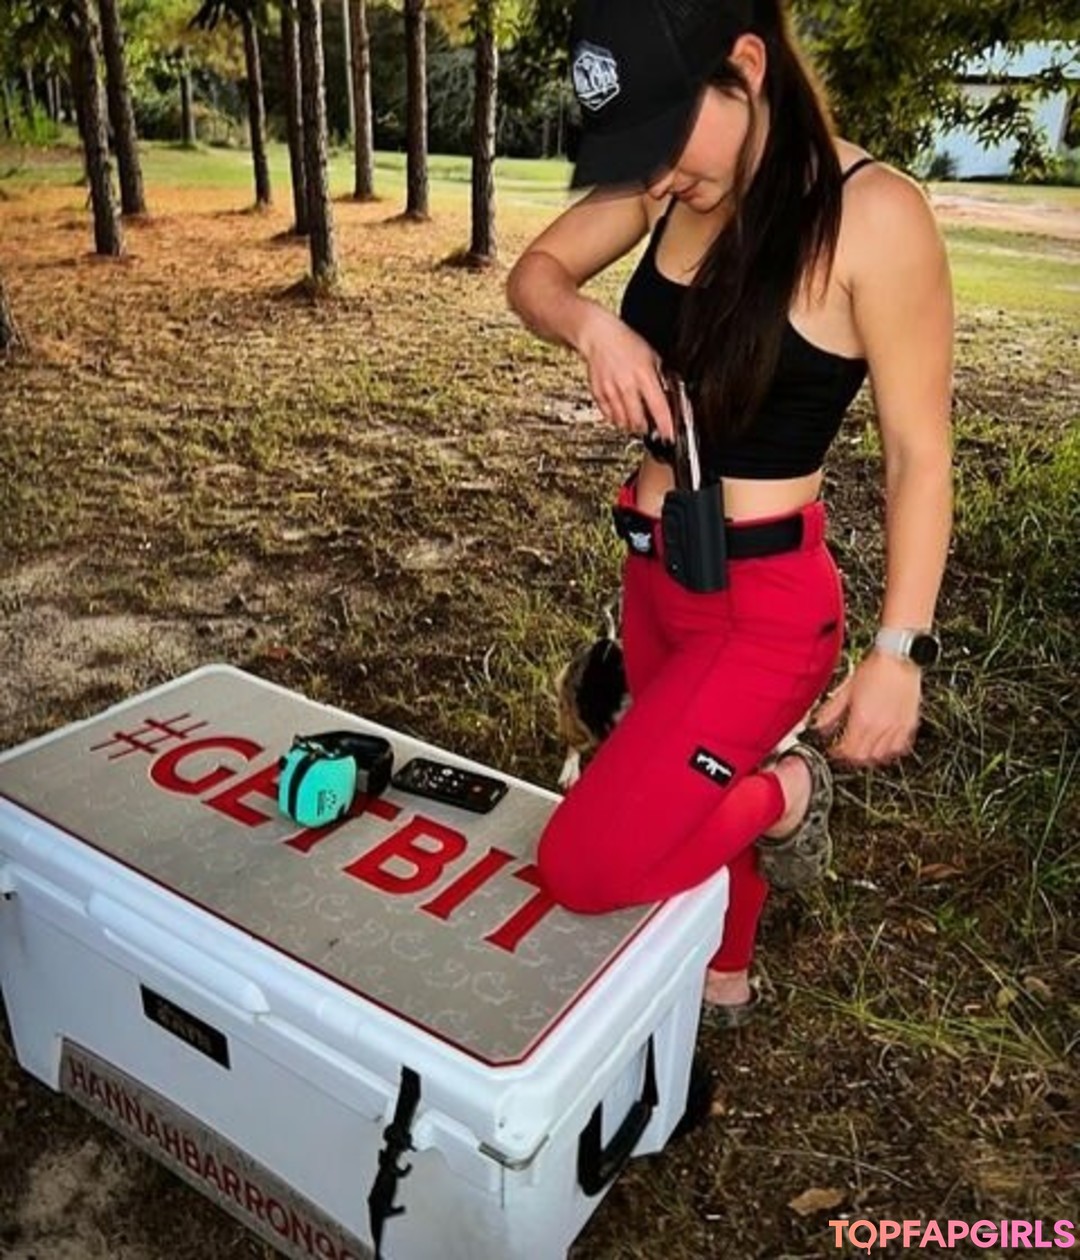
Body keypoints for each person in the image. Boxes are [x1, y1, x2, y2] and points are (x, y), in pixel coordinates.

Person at [506, 0, 953, 1025]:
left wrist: (900, 650)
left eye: (662, 142)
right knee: (680, 781)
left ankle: (786, 793)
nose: (656, 178)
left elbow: (919, 455)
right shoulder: (671, 180)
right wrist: (592, 329)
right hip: (656, 571)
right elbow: (534, 276)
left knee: (585, 863)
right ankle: (723, 970)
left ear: (746, 67)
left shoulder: (872, 215)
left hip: (763, 609)